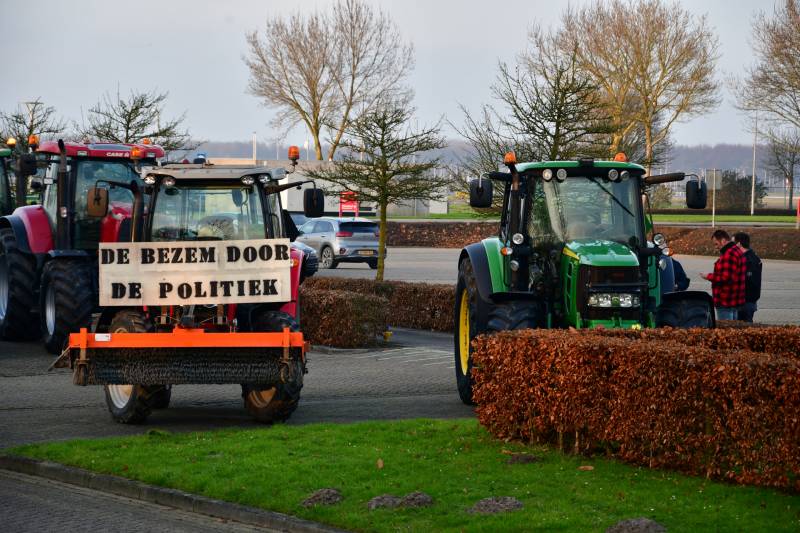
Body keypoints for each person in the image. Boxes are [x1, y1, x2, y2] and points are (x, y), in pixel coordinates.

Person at [700, 230, 746, 321]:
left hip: (725, 301)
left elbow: (726, 278)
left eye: (716, 244)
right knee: (733, 329)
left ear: (723, 241)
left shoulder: (729, 255)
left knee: (726, 329)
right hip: (734, 300)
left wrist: (708, 276)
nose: (716, 247)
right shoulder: (737, 250)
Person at [733, 232, 762, 322]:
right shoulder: (754, 257)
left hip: (745, 301)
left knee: (743, 327)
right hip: (750, 300)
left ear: (738, 244)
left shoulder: (747, 260)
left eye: (733, 243)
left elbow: (747, 279)